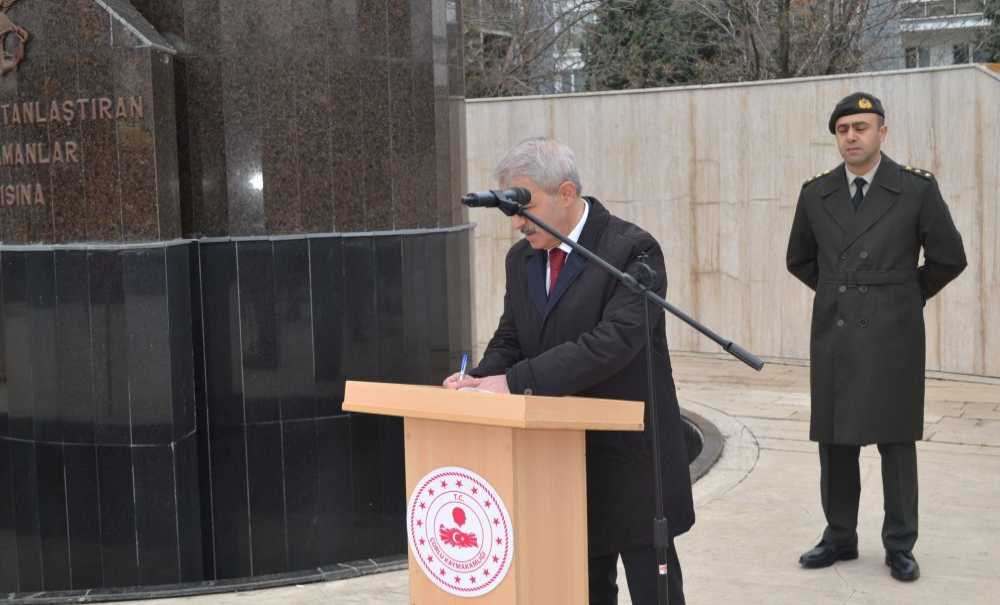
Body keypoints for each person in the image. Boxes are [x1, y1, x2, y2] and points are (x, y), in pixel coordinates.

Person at [444, 138, 695, 604]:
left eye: (524, 206)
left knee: (654, 591)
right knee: (582, 589)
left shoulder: (630, 250)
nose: (517, 223)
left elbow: (611, 344)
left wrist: (516, 382)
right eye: (509, 210)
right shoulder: (521, 260)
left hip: (632, 457)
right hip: (561, 457)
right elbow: (511, 337)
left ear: (565, 193)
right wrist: (479, 379)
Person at [786, 92, 967, 582]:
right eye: (843, 129)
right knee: (836, 441)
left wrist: (904, 296)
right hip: (836, 333)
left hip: (894, 333)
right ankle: (839, 536)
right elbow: (799, 260)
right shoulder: (816, 193)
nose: (851, 137)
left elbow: (949, 257)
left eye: (861, 127)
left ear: (882, 132)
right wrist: (843, 295)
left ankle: (900, 545)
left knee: (896, 441)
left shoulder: (915, 190)